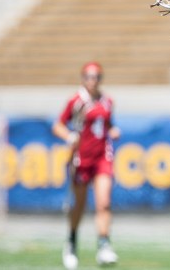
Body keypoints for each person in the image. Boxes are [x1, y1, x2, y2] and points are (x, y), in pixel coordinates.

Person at [53, 61, 121, 269]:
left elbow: (108, 125)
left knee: (104, 202)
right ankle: (72, 242)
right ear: (83, 78)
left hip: (103, 156)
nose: (93, 81)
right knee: (80, 205)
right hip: (82, 158)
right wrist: (69, 136)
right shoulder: (76, 100)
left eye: (97, 77)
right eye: (90, 77)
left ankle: (104, 245)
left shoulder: (107, 100)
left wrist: (112, 131)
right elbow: (58, 125)